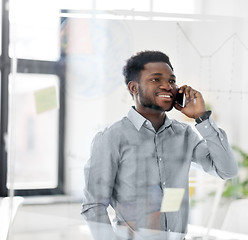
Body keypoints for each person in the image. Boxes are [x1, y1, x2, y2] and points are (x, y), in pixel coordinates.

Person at [81, 50, 238, 240]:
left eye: (172, 81)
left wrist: (201, 118)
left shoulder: (185, 134)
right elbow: (94, 206)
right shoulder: (111, 138)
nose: (167, 86)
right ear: (134, 88)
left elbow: (227, 170)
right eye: (156, 79)